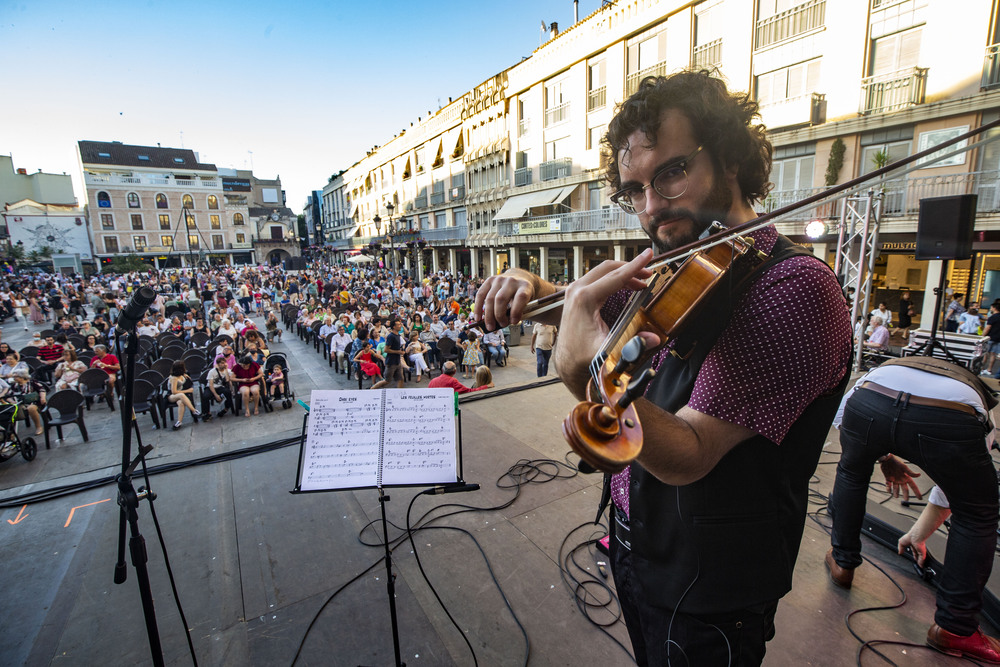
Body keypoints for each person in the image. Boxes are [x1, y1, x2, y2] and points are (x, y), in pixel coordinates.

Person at [473, 70, 852, 665]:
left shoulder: (795, 288)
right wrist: (532, 284)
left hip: (710, 587)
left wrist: (585, 376)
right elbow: (600, 301)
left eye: (671, 173)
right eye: (634, 189)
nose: (651, 208)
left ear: (728, 158)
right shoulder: (689, 268)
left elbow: (693, 452)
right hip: (634, 546)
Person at [825, 356, 1000, 663]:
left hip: (869, 400)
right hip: (947, 419)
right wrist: (920, 533)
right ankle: (956, 628)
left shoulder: (888, 368)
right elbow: (952, 496)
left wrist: (882, 455)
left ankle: (842, 563)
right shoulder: (978, 408)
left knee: (851, 473)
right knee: (976, 513)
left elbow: (844, 421)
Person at [372, 318, 405, 390]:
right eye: (398, 325)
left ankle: (399, 395)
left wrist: (400, 351)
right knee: (387, 381)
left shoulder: (398, 335)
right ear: (394, 327)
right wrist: (398, 352)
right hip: (391, 362)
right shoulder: (391, 336)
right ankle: (372, 389)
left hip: (397, 361)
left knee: (401, 379)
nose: (400, 326)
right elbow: (386, 349)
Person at [167, 360, 201, 429]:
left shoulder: (182, 374)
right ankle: (194, 411)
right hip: (172, 396)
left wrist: (184, 374)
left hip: (179, 395)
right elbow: (173, 391)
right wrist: (187, 391)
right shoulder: (174, 378)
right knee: (182, 395)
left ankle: (179, 422)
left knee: (181, 403)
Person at [428, 361, 492, 394]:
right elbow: (469, 391)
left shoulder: (432, 381)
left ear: (442, 370)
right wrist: (486, 386)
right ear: (455, 371)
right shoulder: (453, 381)